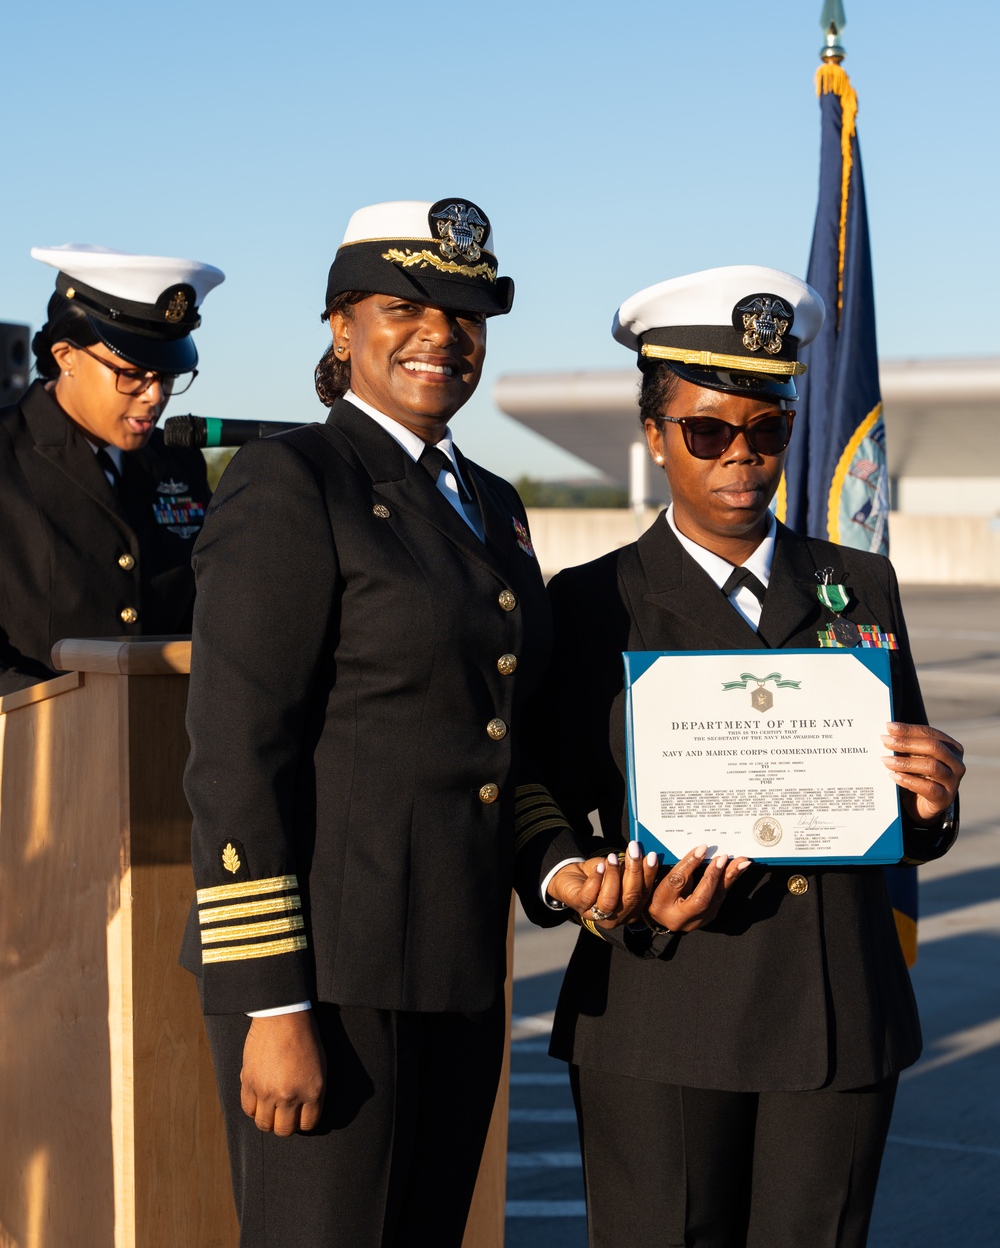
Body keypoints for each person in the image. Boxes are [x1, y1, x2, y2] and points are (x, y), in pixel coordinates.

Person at [180, 198, 636, 1248]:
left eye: (467, 315)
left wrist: (558, 863)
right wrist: (272, 1004)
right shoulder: (292, 482)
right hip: (327, 980)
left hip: (455, 964)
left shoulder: (487, 499)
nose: (441, 334)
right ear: (341, 326)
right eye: (405, 306)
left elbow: (495, 739)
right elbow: (237, 761)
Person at [516, 265, 964, 1248]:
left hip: (835, 1012)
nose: (741, 459)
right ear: (654, 435)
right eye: (708, 432)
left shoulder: (859, 582)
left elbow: (905, 812)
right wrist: (581, 885)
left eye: (767, 432)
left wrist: (929, 805)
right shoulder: (591, 603)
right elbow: (531, 792)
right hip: (659, 1004)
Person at [0, 242, 224, 693]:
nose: (154, 396)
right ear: (66, 357)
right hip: (34, 747)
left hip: (162, 740)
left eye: (166, 378)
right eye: (132, 374)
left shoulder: (176, 460)